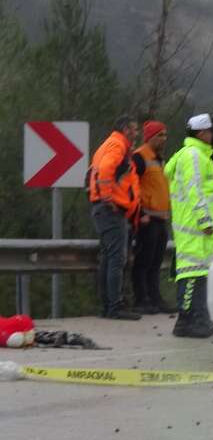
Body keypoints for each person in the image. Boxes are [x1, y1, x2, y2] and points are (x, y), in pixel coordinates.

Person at [166, 114, 213, 338]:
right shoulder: (193, 155)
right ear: (201, 133)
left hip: (198, 228)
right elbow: (194, 188)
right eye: (209, 131)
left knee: (200, 274)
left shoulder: (197, 155)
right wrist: (204, 220)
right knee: (191, 274)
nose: (212, 135)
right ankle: (186, 321)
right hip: (194, 227)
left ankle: (201, 318)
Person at [88, 115, 142, 320]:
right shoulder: (117, 145)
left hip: (103, 208)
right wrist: (108, 197)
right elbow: (105, 170)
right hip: (110, 209)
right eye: (135, 129)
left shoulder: (111, 144)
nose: (136, 134)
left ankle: (109, 306)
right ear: (126, 130)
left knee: (109, 258)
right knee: (117, 258)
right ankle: (114, 307)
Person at [130, 121, 175, 314]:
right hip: (147, 218)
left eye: (165, 135)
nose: (163, 139)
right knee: (143, 261)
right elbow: (131, 186)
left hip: (160, 218)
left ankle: (155, 299)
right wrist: (139, 214)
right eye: (160, 135)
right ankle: (142, 300)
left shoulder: (159, 159)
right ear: (149, 137)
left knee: (156, 262)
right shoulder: (139, 157)